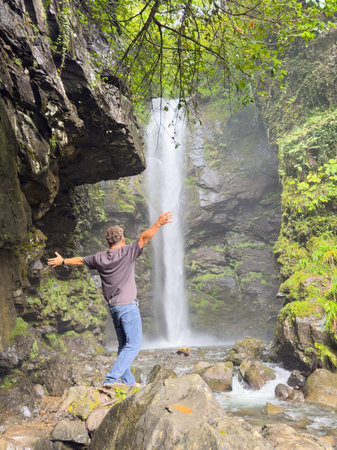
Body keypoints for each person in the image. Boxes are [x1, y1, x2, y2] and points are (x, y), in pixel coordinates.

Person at [47, 211, 173, 387]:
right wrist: (159, 223)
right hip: (128, 306)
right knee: (134, 345)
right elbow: (144, 237)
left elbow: (81, 261)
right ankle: (111, 379)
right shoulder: (128, 251)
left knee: (123, 346)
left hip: (114, 309)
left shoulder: (99, 258)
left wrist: (63, 261)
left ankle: (128, 382)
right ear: (122, 239)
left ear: (108, 241)